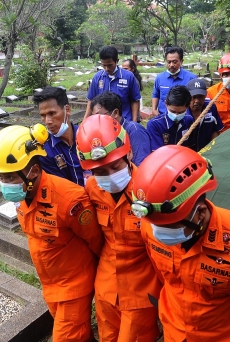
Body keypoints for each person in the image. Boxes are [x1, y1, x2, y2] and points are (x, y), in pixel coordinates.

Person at [130, 145, 230, 341]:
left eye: (169, 226)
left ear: (200, 212)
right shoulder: (151, 226)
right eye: (156, 225)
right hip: (175, 333)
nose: (159, 233)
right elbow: (165, 278)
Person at [0, 124, 103, 341]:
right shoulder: (22, 194)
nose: (5, 185)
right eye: (1, 178)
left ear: (32, 171)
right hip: (50, 284)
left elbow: (95, 240)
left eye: (10, 178)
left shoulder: (69, 199)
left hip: (74, 287)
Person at [76, 115, 162, 342]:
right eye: (100, 172)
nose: (110, 176)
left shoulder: (151, 190)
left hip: (142, 290)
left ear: (129, 153)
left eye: (115, 166)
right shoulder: (92, 189)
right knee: (107, 337)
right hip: (106, 286)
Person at [34, 86, 85, 186]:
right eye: (43, 116)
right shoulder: (45, 151)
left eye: (52, 113)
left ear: (67, 110)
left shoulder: (87, 135)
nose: (47, 121)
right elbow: (61, 188)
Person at [90, 91, 151, 166]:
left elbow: (142, 166)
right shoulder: (104, 134)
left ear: (115, 113)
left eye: (99, 116)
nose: (96, 120)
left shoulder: (134, 130)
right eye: (94, 117)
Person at [85, 46, 141, 122]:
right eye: (104, 65)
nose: (107, 68)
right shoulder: (97, 77)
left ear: (117, 61)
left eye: (109, 65)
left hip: (124, 121)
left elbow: (134, 101)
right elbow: (91, 100)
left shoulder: (128, 77)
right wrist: (85, 121)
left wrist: (134, 123)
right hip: (102, 122)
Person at [147, 85, 194, 151]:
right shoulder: (155, 125)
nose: (176, 115)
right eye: (173, 111)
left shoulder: (189, 120)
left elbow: (190, 147)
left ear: (188, 106)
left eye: (181, 112)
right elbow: (157, 154)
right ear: (166, 103)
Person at [152, 46, 197, 115]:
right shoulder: (159, 78)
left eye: (174, 62)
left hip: (185, 118)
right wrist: (154, 110)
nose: (171, 65)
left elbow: (196, 99)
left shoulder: (191, 78)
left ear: (181, 61)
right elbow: (156, 94)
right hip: (164, 117)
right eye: (169, 62)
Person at [185, 78, 223, 151]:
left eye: (200, 96)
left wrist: (212, 148)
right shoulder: (181, 110)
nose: (197, 101)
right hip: (187, 153)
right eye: (194, 97)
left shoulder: (211, 106)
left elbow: (215, 130)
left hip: (207, 151)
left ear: (205, 95)